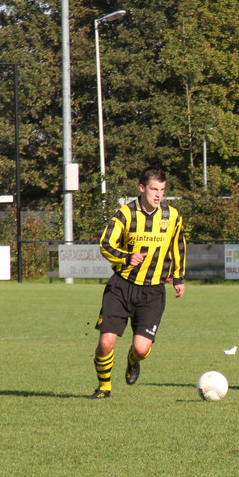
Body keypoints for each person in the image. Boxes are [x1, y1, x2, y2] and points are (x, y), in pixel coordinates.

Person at [89, 167, 187, 399]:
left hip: (153, 291)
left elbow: (178, 246)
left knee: (141, 349)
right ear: (142, 188)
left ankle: (133, 360)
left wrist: (179, 277)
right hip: (121, 287)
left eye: (162, 190)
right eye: (154, 189)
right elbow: (105, 244)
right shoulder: (125, 214)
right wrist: (126, 257)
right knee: (106, 343)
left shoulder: (172, 216)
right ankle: (104, 388)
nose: (159, 194)